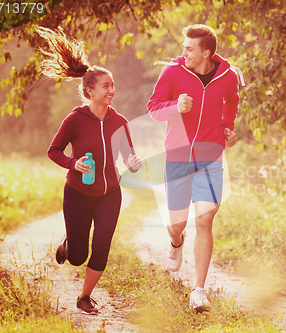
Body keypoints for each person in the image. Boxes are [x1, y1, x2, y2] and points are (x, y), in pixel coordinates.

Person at [37, 27, 142, 314]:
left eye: (113, 85)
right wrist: (74, 163)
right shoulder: (75, 119)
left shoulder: (119, 121)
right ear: (89, 91)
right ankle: (70, 243)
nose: (112, 90)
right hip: (78, 192)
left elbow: (128, 154)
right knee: (78, 256)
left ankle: (85, 297)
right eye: (106, 86)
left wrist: (133, 162)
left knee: (102, 246)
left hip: (110, 192)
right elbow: (53, 151)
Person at [147, 24, 242, 312]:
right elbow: (153, 108)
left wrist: (227, 127)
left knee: (204, 220)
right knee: (176, 225)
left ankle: (198, 290)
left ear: (206, 52)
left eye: (189, 49)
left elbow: (232, 102)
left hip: (210, 158)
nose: (182, 53)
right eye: (183, 47)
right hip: (177, 157)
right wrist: (176, 106)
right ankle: (176, 243)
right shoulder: (173, 72)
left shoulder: (227, 75)